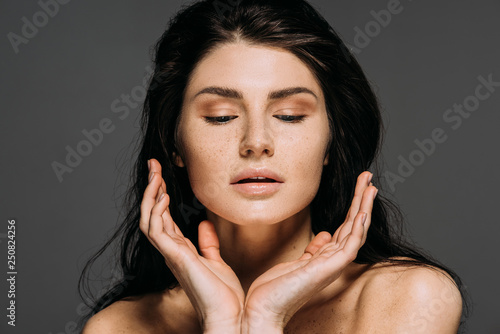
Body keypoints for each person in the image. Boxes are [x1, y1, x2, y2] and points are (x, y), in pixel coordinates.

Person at [80, 0, 469, 332]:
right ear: (175, 144)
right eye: (220, 117)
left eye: (289, 115)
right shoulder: (121, 326)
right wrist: (221, 321)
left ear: (331, 141)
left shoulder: (408, 299)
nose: (256, 143)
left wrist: (267, 317)